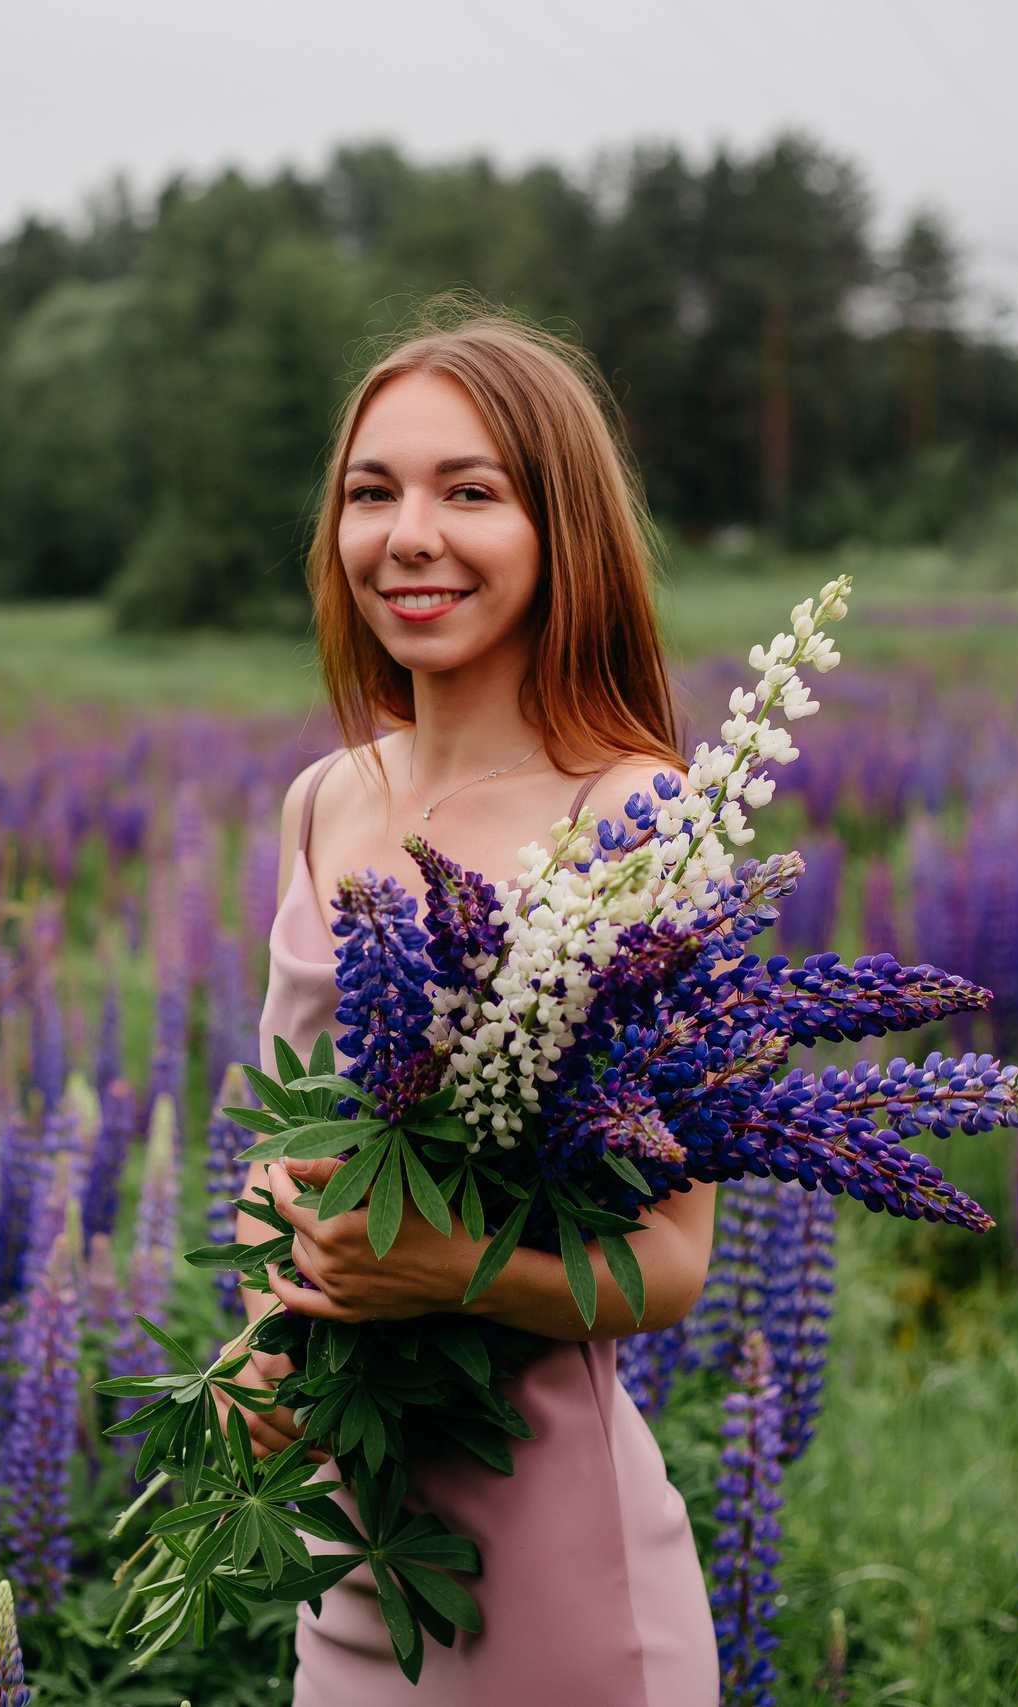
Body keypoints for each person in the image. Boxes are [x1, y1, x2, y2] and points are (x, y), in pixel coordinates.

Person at [236, 305, 722, 1706]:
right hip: (355, 1534)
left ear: (556, 525)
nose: (411, 535)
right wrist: (260, 1339)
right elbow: (294, 1154)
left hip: (552, 1559)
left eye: (471, 491)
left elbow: (672, 1263)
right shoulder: (323, 798)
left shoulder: (635, 814)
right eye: (372, 492)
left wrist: (444, 1272)